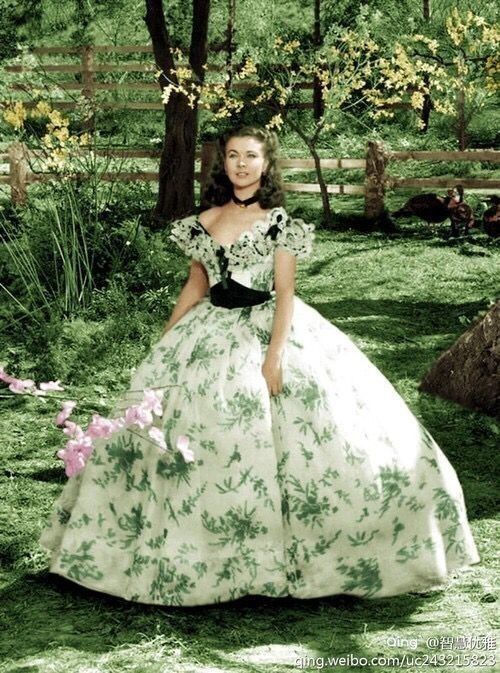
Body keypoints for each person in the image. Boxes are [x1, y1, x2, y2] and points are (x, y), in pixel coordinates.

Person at [38, 125, 479, 607]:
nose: (241, 164)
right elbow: (196, 286)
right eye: (232, 155)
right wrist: (166, 339)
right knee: (187, 431)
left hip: (267, 329)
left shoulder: (280, 223)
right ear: (222, 164)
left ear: (266, 164)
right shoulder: (202, 220)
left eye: (251, 156)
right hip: (208, 330)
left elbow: (286, 293)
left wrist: (273, 358)